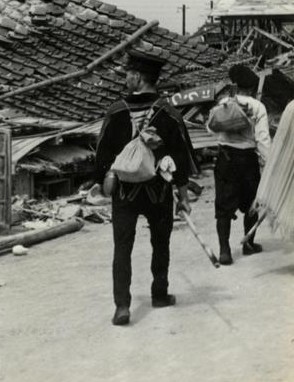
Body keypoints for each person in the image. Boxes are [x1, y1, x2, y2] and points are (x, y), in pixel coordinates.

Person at [95, 47, 196, 326]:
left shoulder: (116, 112)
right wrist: (183, 195)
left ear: (138, 77)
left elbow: (102, 155)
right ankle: (160, 294)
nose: (126, 78)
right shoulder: (168, 112)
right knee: (160, 243)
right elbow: (182, 158)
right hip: (158, 191)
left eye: (129, 73)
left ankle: (122, 307)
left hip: (125, 191)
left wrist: (103, 184)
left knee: (122, 248)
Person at [208, 64, 271, 265]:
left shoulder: (224, 103)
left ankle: (224, 251)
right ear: (251, 88)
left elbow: (211, 128)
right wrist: (269, 163)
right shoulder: (257, 107)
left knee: (223, 206)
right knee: (252, 203)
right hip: (247, 160)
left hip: (225, 159)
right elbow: (262, 139)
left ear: (235, 86)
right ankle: (248, 244)